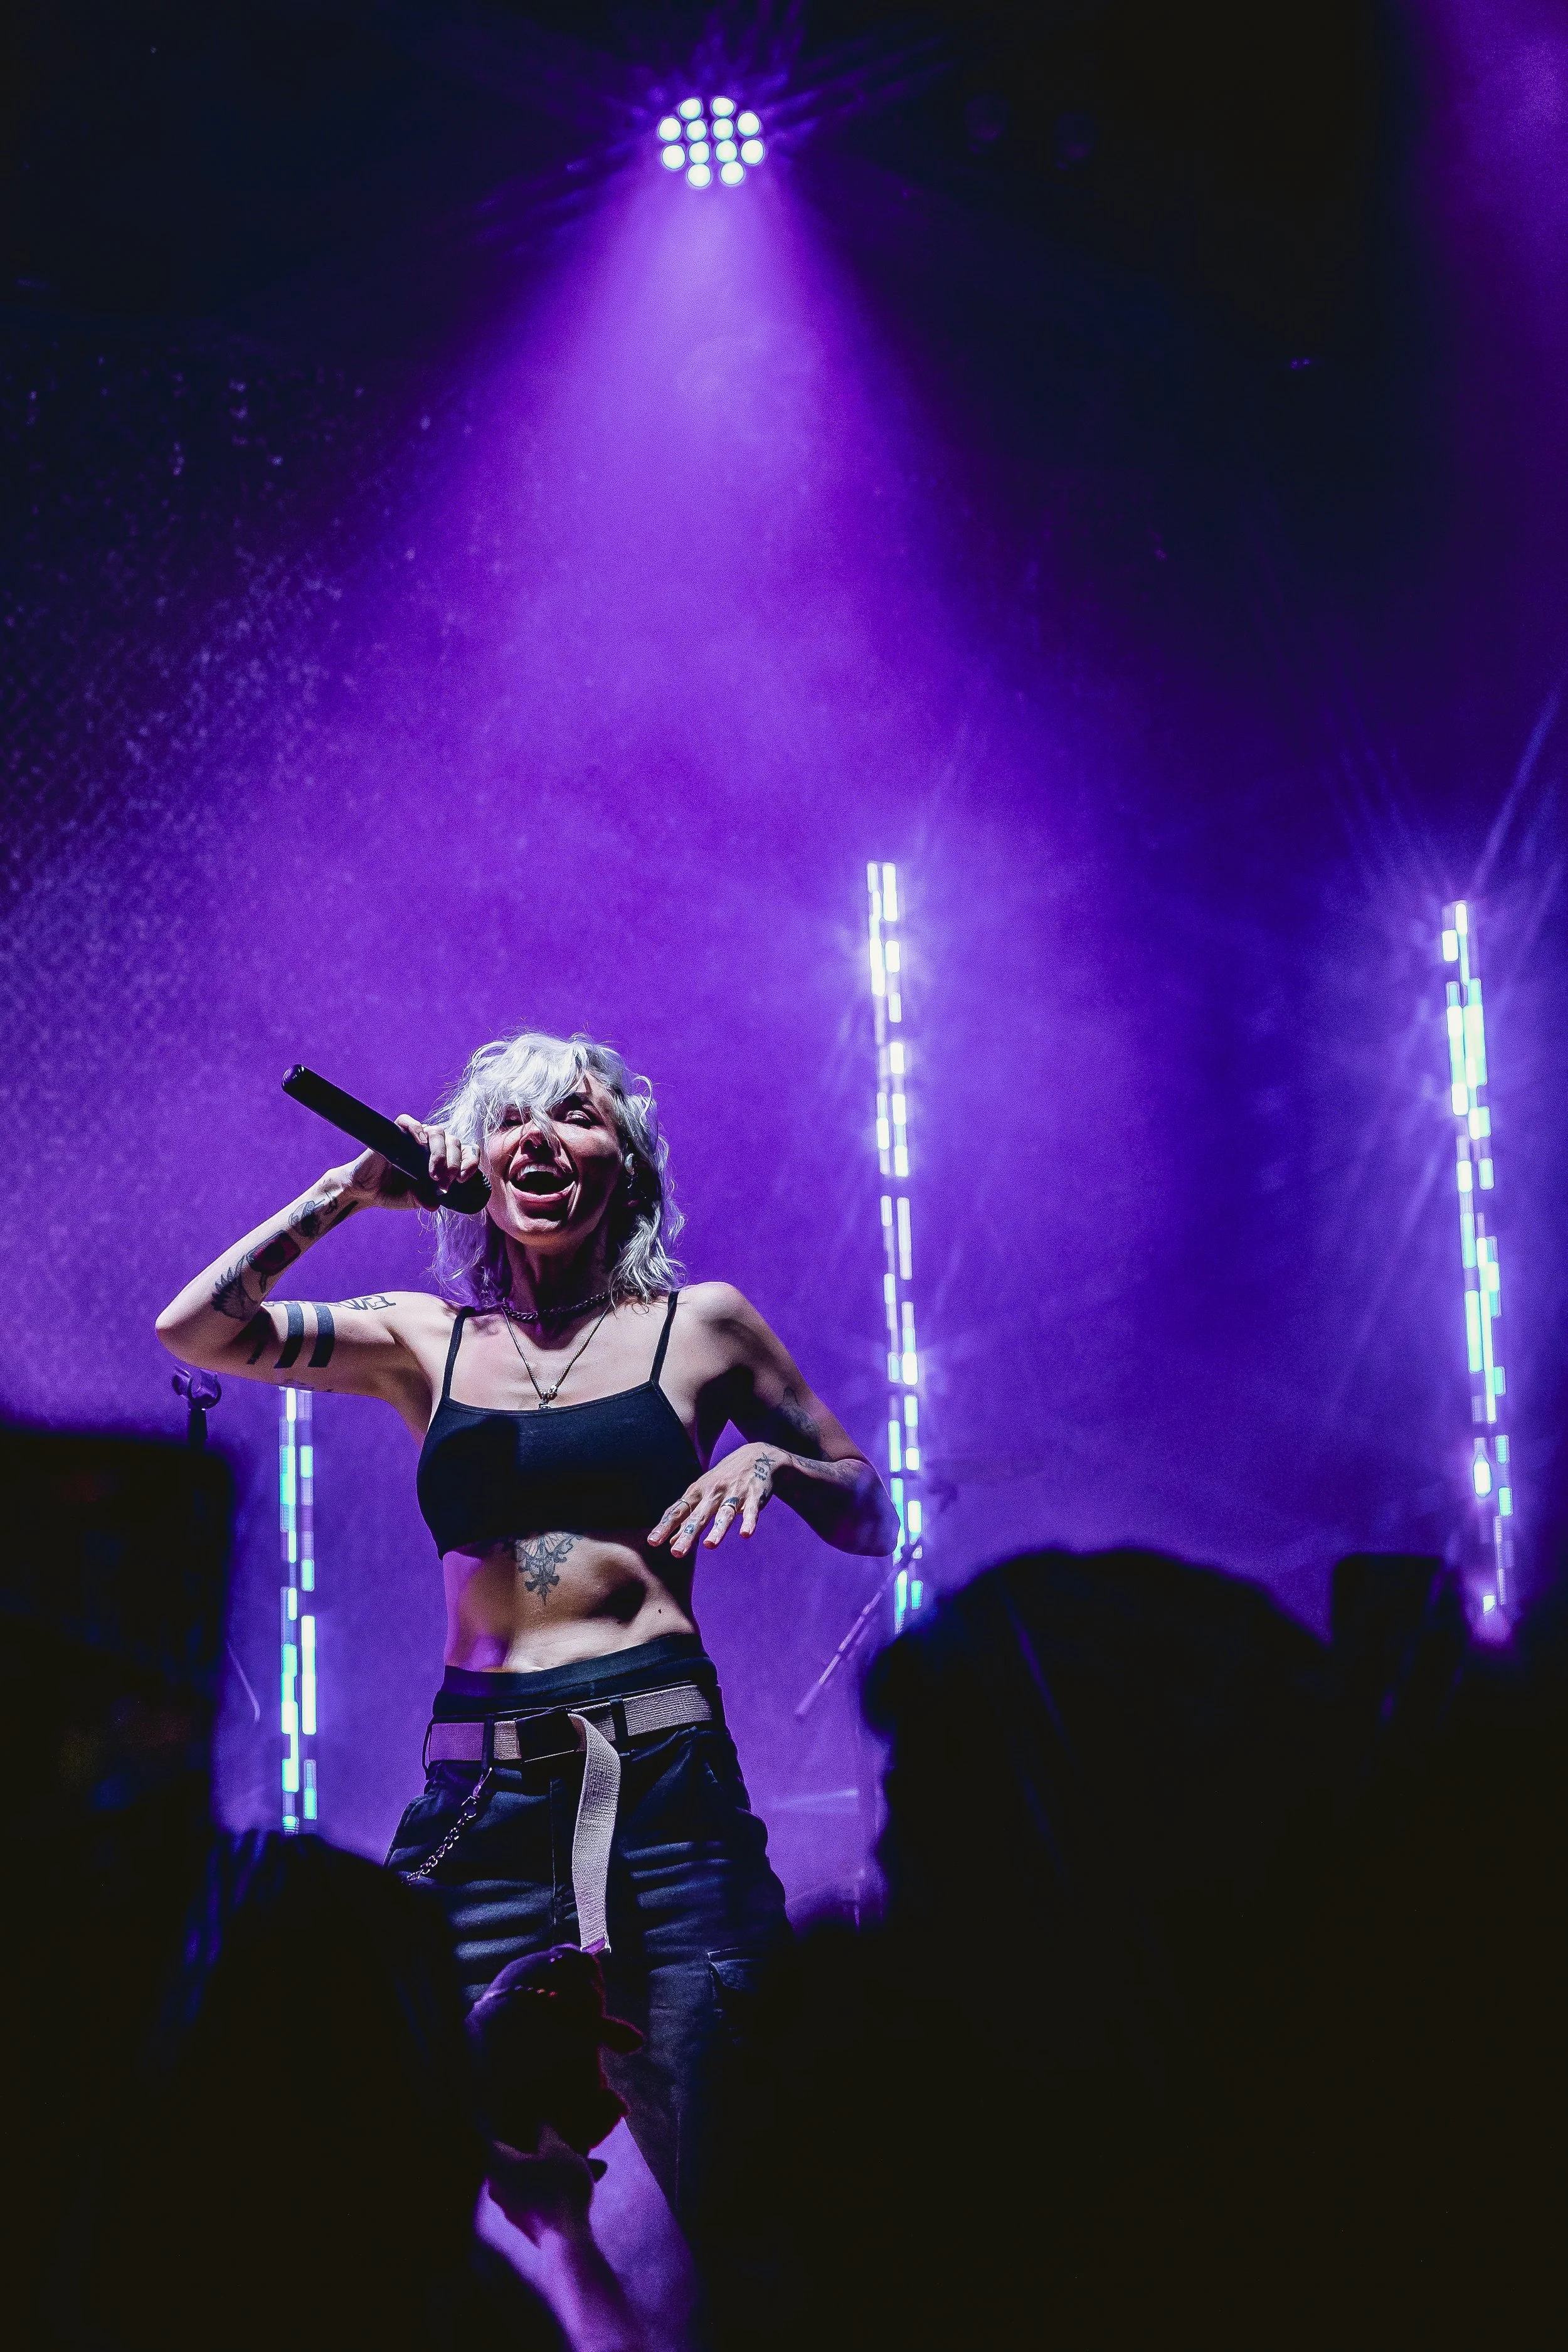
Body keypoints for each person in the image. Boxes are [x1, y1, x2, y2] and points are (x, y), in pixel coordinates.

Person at [156, 1027, 898, 2289]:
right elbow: (196, 1330)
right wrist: (351, 1188)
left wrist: (773, 1462)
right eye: (511, 1120)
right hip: (479, 1796)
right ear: (477, 1166)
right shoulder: (421, 1338)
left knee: (747, 2172)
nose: (541, 1135)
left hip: (664, 1783)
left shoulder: (702, 1326)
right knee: (364, 2124)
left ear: (628, 1166)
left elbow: (865, 1506)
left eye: (576, 1115)